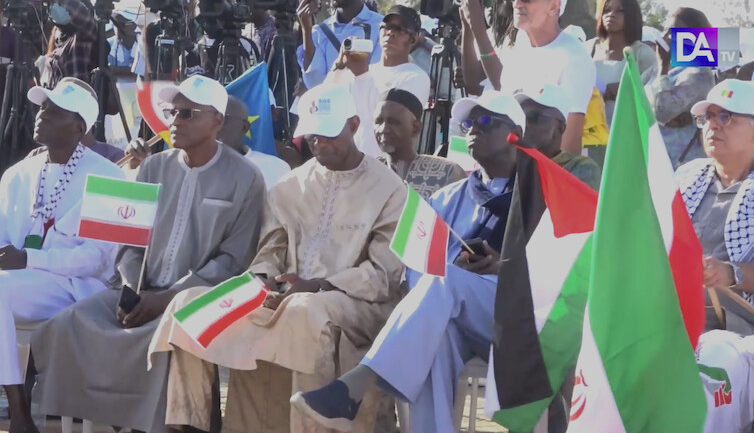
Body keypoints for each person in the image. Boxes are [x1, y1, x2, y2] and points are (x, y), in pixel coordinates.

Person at [147, 84, 406, 433]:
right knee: (189, 305)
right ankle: (191, 426)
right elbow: (270, 252)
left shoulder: (390, 190)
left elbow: (382, 275)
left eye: (328, 134)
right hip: (285, 298)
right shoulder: (290, 185)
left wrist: (317, 285)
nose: (319, 143)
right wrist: (265, 281)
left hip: (357, 306)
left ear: (354, 125)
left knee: (304, 311)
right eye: (312, 136)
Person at [28, 75, 266, 433]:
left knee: (164, 338)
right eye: (172, 113)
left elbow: (233, 260)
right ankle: (91, 419)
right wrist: (132, 289)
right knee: (66, 325)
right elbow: (129, 243)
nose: (175, 121)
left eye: (187, 114)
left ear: (217, 121)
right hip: (139, 289)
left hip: (196, 298)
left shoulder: (246, 177)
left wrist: (169, 298)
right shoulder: (153, 167)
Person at [289, 90, 525, 433]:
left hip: (520, 316)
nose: (474, 128)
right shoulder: (447, 198)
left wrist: (504, 267)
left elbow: (564, 269)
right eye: (469, 123)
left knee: (446, 282)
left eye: (486, 121)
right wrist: (453, 274)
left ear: (516, 133)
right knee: (433, 340)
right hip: (457, 316)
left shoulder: (541, 193)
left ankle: (358, 383)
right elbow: (415, 266)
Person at [0, 78, 124, 433]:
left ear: (79, 127)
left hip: (78, 288)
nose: (42, 115)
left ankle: (18, 411)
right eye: (42, 108)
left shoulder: (109, 176)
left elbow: (98, 260)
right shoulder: (17, 174)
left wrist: (29, 259)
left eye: (54, 111)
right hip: (19, 283)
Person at [675, 79, 754, 340]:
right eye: (708, 117)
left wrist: (730, 273)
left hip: (735, 328)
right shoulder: (683, 178)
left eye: (726, 117)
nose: (713, 125)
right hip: (670, 310)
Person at [460, 0, 595, 156]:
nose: (516, 4)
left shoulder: (574, 57)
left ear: (554, 6)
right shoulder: (521, 42)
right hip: (511, 164)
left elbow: (570, 144)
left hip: (545, 169)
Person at [326, 5, 431, 158]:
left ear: (413, 39)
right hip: (349, 161)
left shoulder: (416, 77)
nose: (391, 33)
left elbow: (388, 119)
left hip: (384, 165)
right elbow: (327, 102)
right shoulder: (363, 70)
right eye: (386, 27)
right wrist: (339, 64)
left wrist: (362, 76)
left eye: (399, 29)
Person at [646, 7, 716, 168]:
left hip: (680, 163)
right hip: (651, 156)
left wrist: (663, 69)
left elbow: (662, 111)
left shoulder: (699, 72)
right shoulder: (654, 70)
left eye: (673, 32)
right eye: (665, 30)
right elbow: (635, 97)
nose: (665, 37)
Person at [375, 88, 466, 198]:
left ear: (415, 128)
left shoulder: (447, 172)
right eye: (378, 122)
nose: (383, 129)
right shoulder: (368, 172)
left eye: (393, 122)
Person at [584, 0, 656, 125]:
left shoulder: (642, 53)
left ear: (631, 16)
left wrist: (623, 90)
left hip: (625, 129)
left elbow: (653, 97)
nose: (611, 14)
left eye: (620, 11)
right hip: (587, 129)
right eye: (607, 10)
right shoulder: (586, 49)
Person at [514, 84, 601, 190]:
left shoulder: (581, 168)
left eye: (533, 117)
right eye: (520, 117)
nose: (524, 124)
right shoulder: (513, 164)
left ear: (560, 127)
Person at [296, 0, 383, 89]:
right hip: (331, 99)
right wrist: (306, 30)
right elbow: (315, 84)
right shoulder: (319, 32)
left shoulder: (382, 27)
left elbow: (378, 80)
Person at [219, 95, 290, 189]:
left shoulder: (276, 167)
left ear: (244, 127)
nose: (213, 125)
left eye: (223, 119)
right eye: (206, 118)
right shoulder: (198, 169)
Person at [40, 0, 100, 87]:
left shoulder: (83, 35)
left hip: (77, 94)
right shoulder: (57, 36)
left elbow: (75, 9)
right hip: (57, 94)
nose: (57, 7)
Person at [107, 10, 138, 78]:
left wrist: (117, 70)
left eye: (122, 24)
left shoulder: (144, 45)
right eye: (115, 24)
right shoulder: (107, 44)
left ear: (134, 26)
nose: (117, 27)